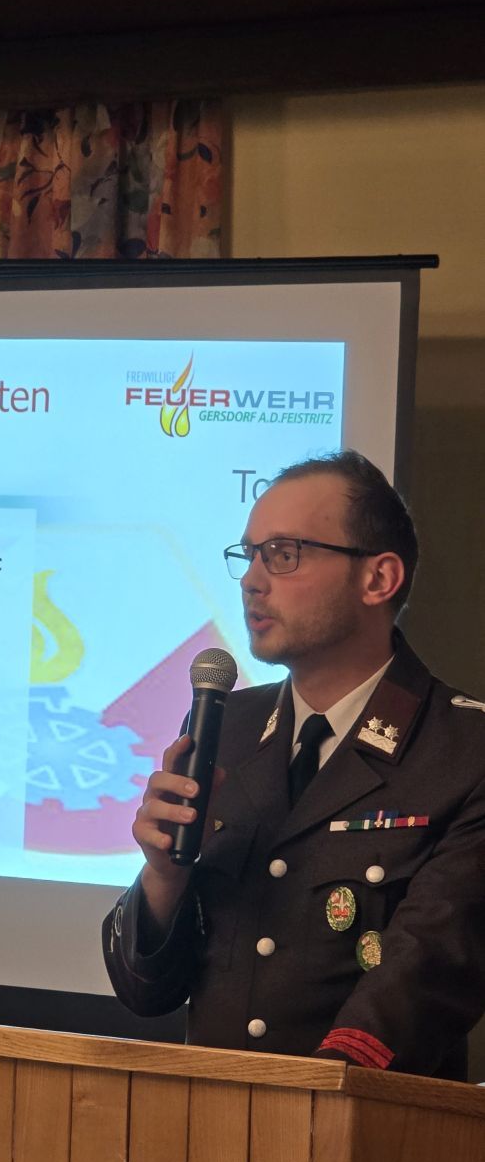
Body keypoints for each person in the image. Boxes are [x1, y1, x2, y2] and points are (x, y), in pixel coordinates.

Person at [103, 451, 485, 1079]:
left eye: (283, 554)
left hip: (361, 1123)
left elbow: (431, 971)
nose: (252, 580)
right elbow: (146, 992)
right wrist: (164, 877)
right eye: (249, 555)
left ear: (378, 579)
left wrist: (302, 1101)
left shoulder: (464, 748)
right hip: (209, 1116)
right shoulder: (227, 727)